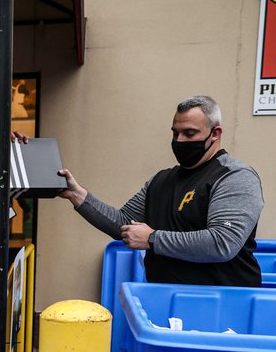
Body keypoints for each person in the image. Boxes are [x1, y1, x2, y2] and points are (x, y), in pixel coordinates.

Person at [59, 95, 264, 287]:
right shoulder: (161, 180)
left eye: (189, 133)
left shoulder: (234, 177)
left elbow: (222, 242)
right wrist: (76, 195)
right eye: (175, 132)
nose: (180, 140)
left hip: (225, 306)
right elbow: (124, 224)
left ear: (215, 133)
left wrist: (152, 238)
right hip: (164, 299)